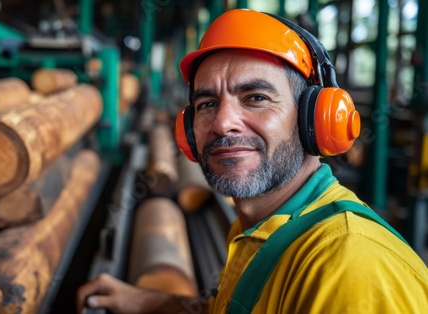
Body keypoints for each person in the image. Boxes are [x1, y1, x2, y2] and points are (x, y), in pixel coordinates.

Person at [77, 9, 428, 313]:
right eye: (207, 104)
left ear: (315, 120)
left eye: (256, 97)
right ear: (188, 129)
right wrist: (150, 303)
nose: (222, 122)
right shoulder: (260, 225)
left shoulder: (351, 268)